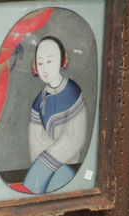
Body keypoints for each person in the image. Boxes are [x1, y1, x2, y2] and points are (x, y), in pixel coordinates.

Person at [23, 36, 87, 194]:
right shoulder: (40, 99)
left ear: (62, 61)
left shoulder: (72, 91)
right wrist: (42, 165)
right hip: (45, 163)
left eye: (50, 61)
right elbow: (35, 142)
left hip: (69, 162)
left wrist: (45, 164)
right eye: (40, 63)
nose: (44, 68)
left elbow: (74, 139)